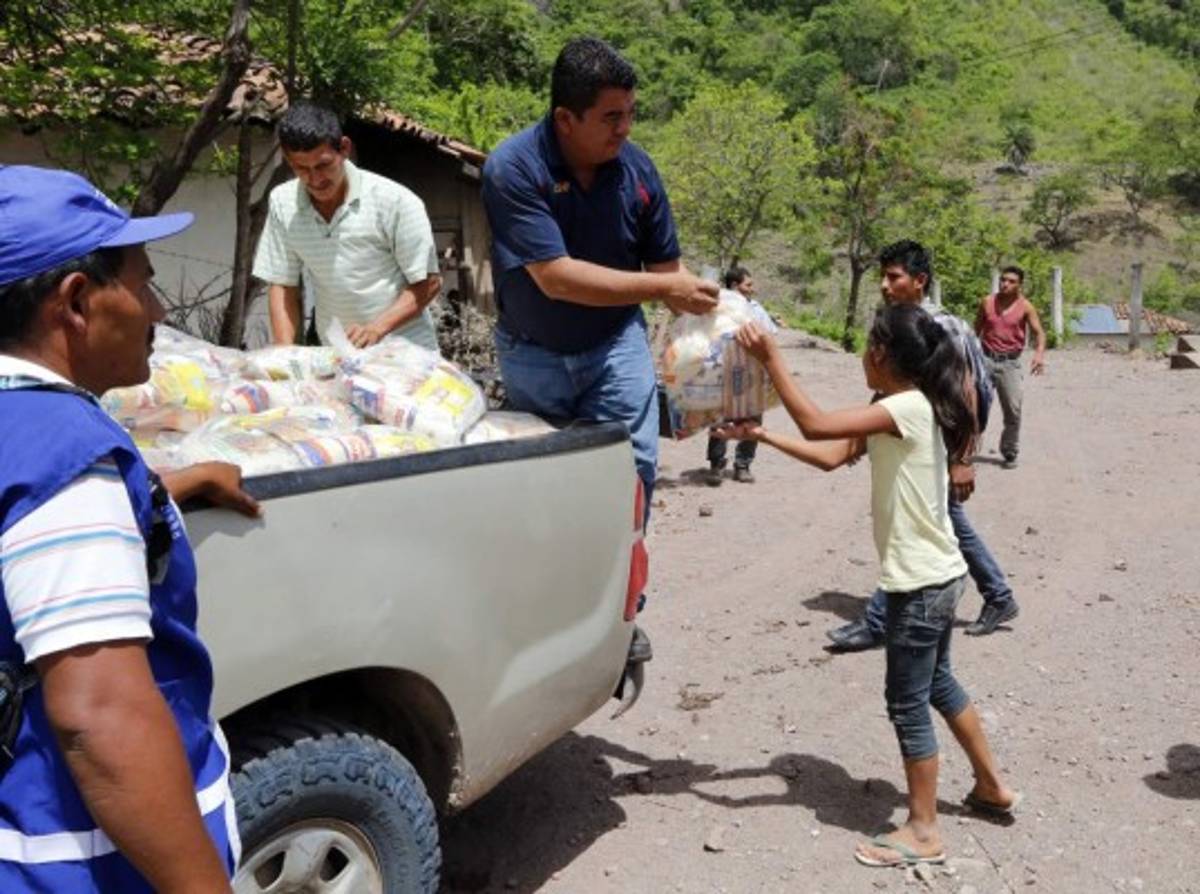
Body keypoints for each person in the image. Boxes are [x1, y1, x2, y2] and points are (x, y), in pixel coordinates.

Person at [0, 165, 261, 891]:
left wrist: (174, 483)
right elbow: (99, 714)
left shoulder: (22, 435)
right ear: (77, 302)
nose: (157, 308)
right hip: (74, 861)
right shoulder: (65, 453)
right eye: (143, 284)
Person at [716, 302, 1020, 868]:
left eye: (865, 345)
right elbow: (829, 454)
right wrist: (763, 432)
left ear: (879, 354)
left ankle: (924, 830)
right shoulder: (899, 406)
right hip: (940, 574)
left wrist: (772, 355)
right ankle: (991, 787)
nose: (861, 353)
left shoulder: (905, 406)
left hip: (921, 583)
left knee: (906, 702)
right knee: (939, 685)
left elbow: (817, 422)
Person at [481, 37, 718, 637]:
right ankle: (549, 607)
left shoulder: (637, 173)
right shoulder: (514, 168)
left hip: (617, 348)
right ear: (566, 117)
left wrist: (695, 382)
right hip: (532, 354)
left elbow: (670, 279)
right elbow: (556, 279)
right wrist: (660, 290)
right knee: (545, 479)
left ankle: (619, 611)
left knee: (632, 471)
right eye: (612, 117)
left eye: (631, 113)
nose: (625, 129)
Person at [828, 242, 1020, 648]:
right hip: (911, 440)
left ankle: (880, 620)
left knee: (923, 523)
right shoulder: (892, 321)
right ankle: (998, 595)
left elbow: (969, 394)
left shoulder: (943, 326)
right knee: (938, 522)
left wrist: (963, 458)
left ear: (920, 281)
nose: (884, 285)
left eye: (893, 277)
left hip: (938, 446)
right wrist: (861, 437)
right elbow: (887, 390)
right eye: (883, 276)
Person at [254, 100, 443, 352]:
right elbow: (283, 284)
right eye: (302, 168)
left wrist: (376, 329)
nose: (315, 179)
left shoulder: (395, 202)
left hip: (406, 353)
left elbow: (429, 282)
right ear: (289, 161)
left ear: (343, 149)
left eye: (323, 165)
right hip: (337, 354)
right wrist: (284, 354)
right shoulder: (282, 203)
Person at [974, 265, 1046, 469]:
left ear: (1020, 285)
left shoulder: (1026, 307)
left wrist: (1039, 354)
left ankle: (1009, 450)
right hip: (985, 359)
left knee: (1013, 409)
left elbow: (1039, 333)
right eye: (1003, 279)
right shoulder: (987, 302)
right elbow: (975, 330)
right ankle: (966, 449)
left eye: (1011, 281)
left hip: (1010, 363)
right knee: (976, 406)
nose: (1005, 284)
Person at [703, 266, 768, 486]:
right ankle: (716, 465)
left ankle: (743, 465)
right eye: (748, 285)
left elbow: (768, 336)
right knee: (720, 419)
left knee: (752, 417)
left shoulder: (756, 309)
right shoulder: (716, 309)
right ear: (734, 286)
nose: (752, 289)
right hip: (723, 370)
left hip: (751, 371)